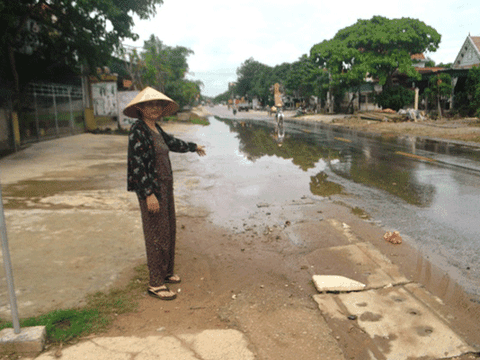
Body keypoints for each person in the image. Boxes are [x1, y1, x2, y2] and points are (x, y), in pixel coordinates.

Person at [124, 87, 206, 300]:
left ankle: (166, 272)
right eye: (150, 105)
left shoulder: (156, 128)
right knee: (155, 234)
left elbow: (173, 143)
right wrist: (148, 193)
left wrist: (193, 146)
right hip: (151, 188)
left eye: (158, 105)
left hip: (165, 186)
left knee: (168, 228)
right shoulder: (138, 130)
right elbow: (137, 164)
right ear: (141, 108)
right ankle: (155, 283)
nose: (155, 108)